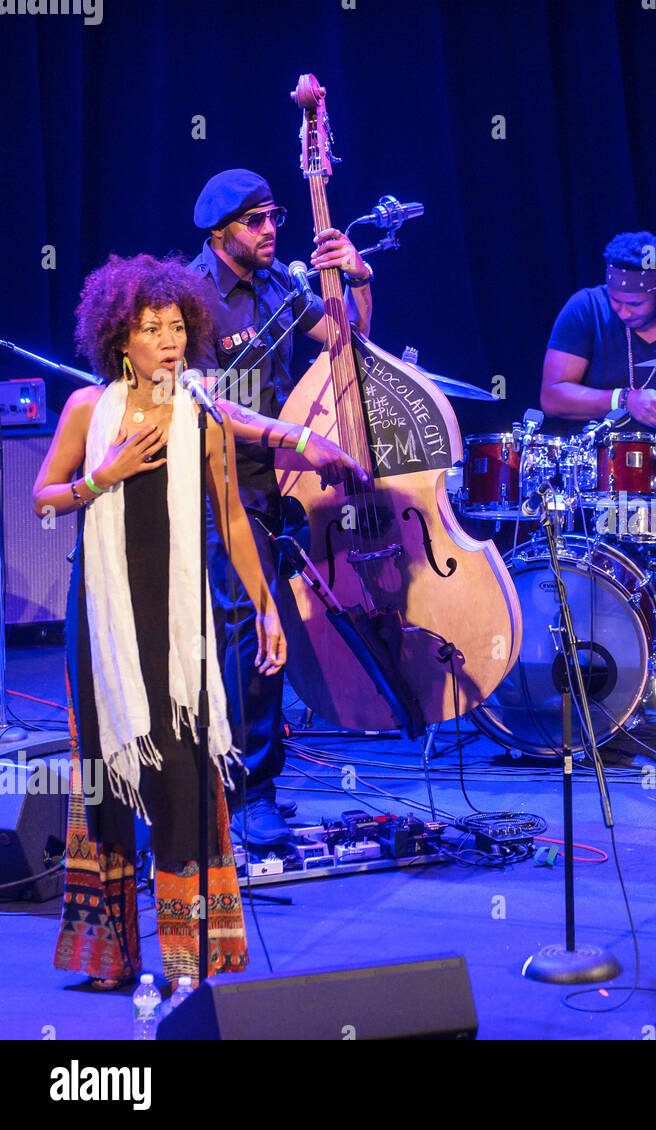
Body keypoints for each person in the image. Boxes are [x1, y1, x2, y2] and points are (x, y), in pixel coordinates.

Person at [36, 253, 286, 988]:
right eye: (153, 328)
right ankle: (109, 954)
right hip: (104, 622)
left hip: (179, 622)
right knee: (106, 780)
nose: (170, 340)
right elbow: (45, 500)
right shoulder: (89, 410)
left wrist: (267, 610)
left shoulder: (203, 415)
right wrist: (100, 476)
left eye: (178, 326)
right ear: (122, 340)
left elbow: (234, 521)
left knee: (181, 773)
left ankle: (191, 950)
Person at [187, 168, 371, 851]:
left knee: (262, 632)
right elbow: (206, 407)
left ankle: (246, 782)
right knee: (248, 630)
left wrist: (357, 278)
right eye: (255, 222)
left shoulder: (280, 286)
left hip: (274, 487)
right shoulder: (192, 298)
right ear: (220, 232)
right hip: (213, 486)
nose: (270, 232)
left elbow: (346, 340)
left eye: (275, 218)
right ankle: (250, 792)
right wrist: (298, 435)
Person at [541, 231, 656, 431]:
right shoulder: (586, 307)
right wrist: (624, 400)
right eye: (616, 301)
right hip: (599, 456)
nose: (625, 313)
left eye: (636, 303)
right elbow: (551, 398)